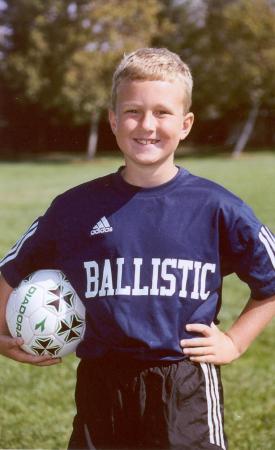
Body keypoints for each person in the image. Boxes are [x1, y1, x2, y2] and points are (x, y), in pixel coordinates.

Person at [0, 47, 275, 450]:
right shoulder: (75, 208)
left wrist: (234, 342)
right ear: (113, 120)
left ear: (186, 123)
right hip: (100, 383)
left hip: (183, 384)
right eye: (132, 111)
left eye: (162, 112)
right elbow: (11, 270)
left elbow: (270, 281)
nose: (147, 124)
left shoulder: (218, 207)